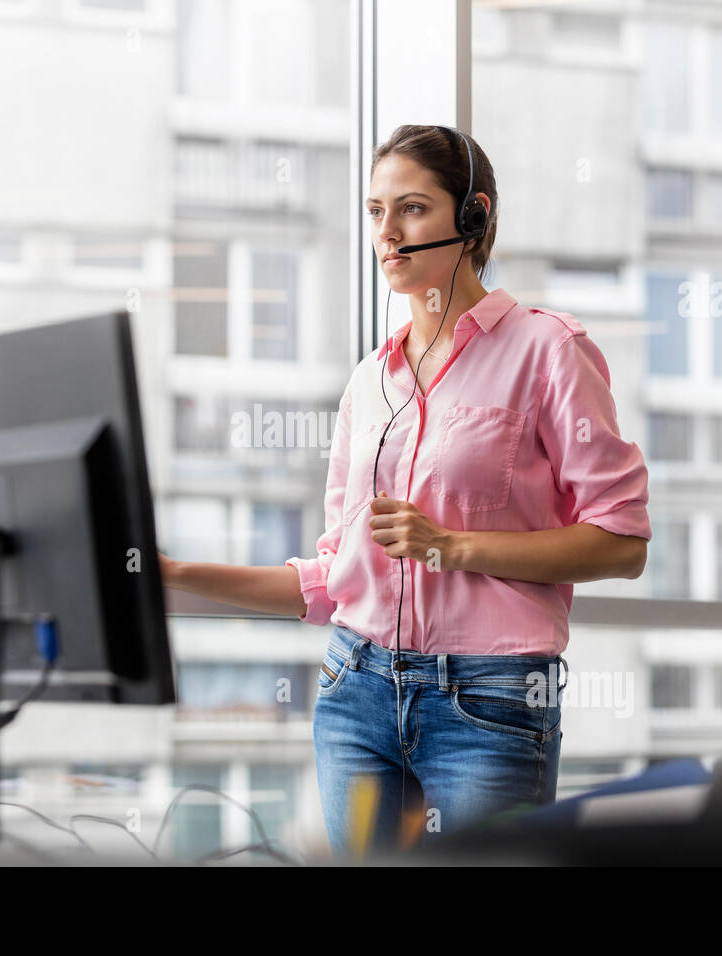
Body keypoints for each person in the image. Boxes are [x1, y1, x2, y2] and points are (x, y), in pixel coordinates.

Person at [160, 124, 651, 859]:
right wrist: (172, 578)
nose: (387, 233)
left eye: (412, 209)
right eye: (375, 212)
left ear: (473, 217)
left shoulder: (549, 351)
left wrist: (452, 546)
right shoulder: (370, 381)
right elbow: (334, 581)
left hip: (489, 699)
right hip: (353, 688)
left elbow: (622, 543)